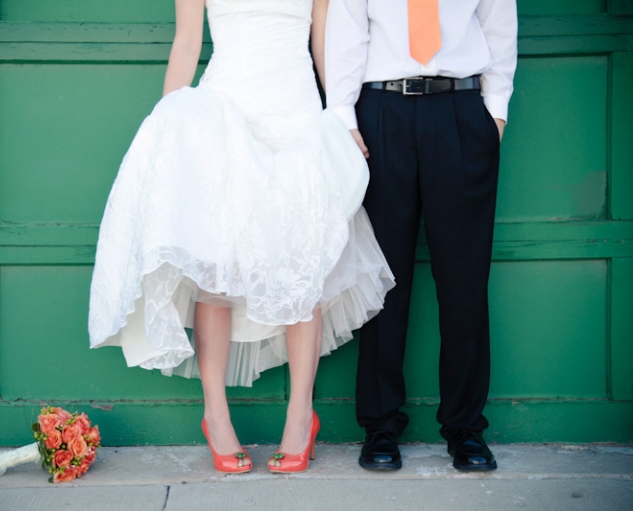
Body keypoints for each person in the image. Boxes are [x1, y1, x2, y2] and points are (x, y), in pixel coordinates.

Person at [88, 0, 395, 475]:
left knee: (303, 266)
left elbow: (322, 46)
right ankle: (215, 414)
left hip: (295, 115)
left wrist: (343, 118)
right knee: (218, 269)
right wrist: (169, 126)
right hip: (225, 113)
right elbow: (188, 42)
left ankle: (300, 418)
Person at [325, 0, 517, 472]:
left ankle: (466, 428)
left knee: (464, 280)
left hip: (459, 111)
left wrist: (495, 112)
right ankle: (380, 426)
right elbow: (347, 36)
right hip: (381, 113)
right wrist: (345, 119)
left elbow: (499, 27)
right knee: (383, 278)